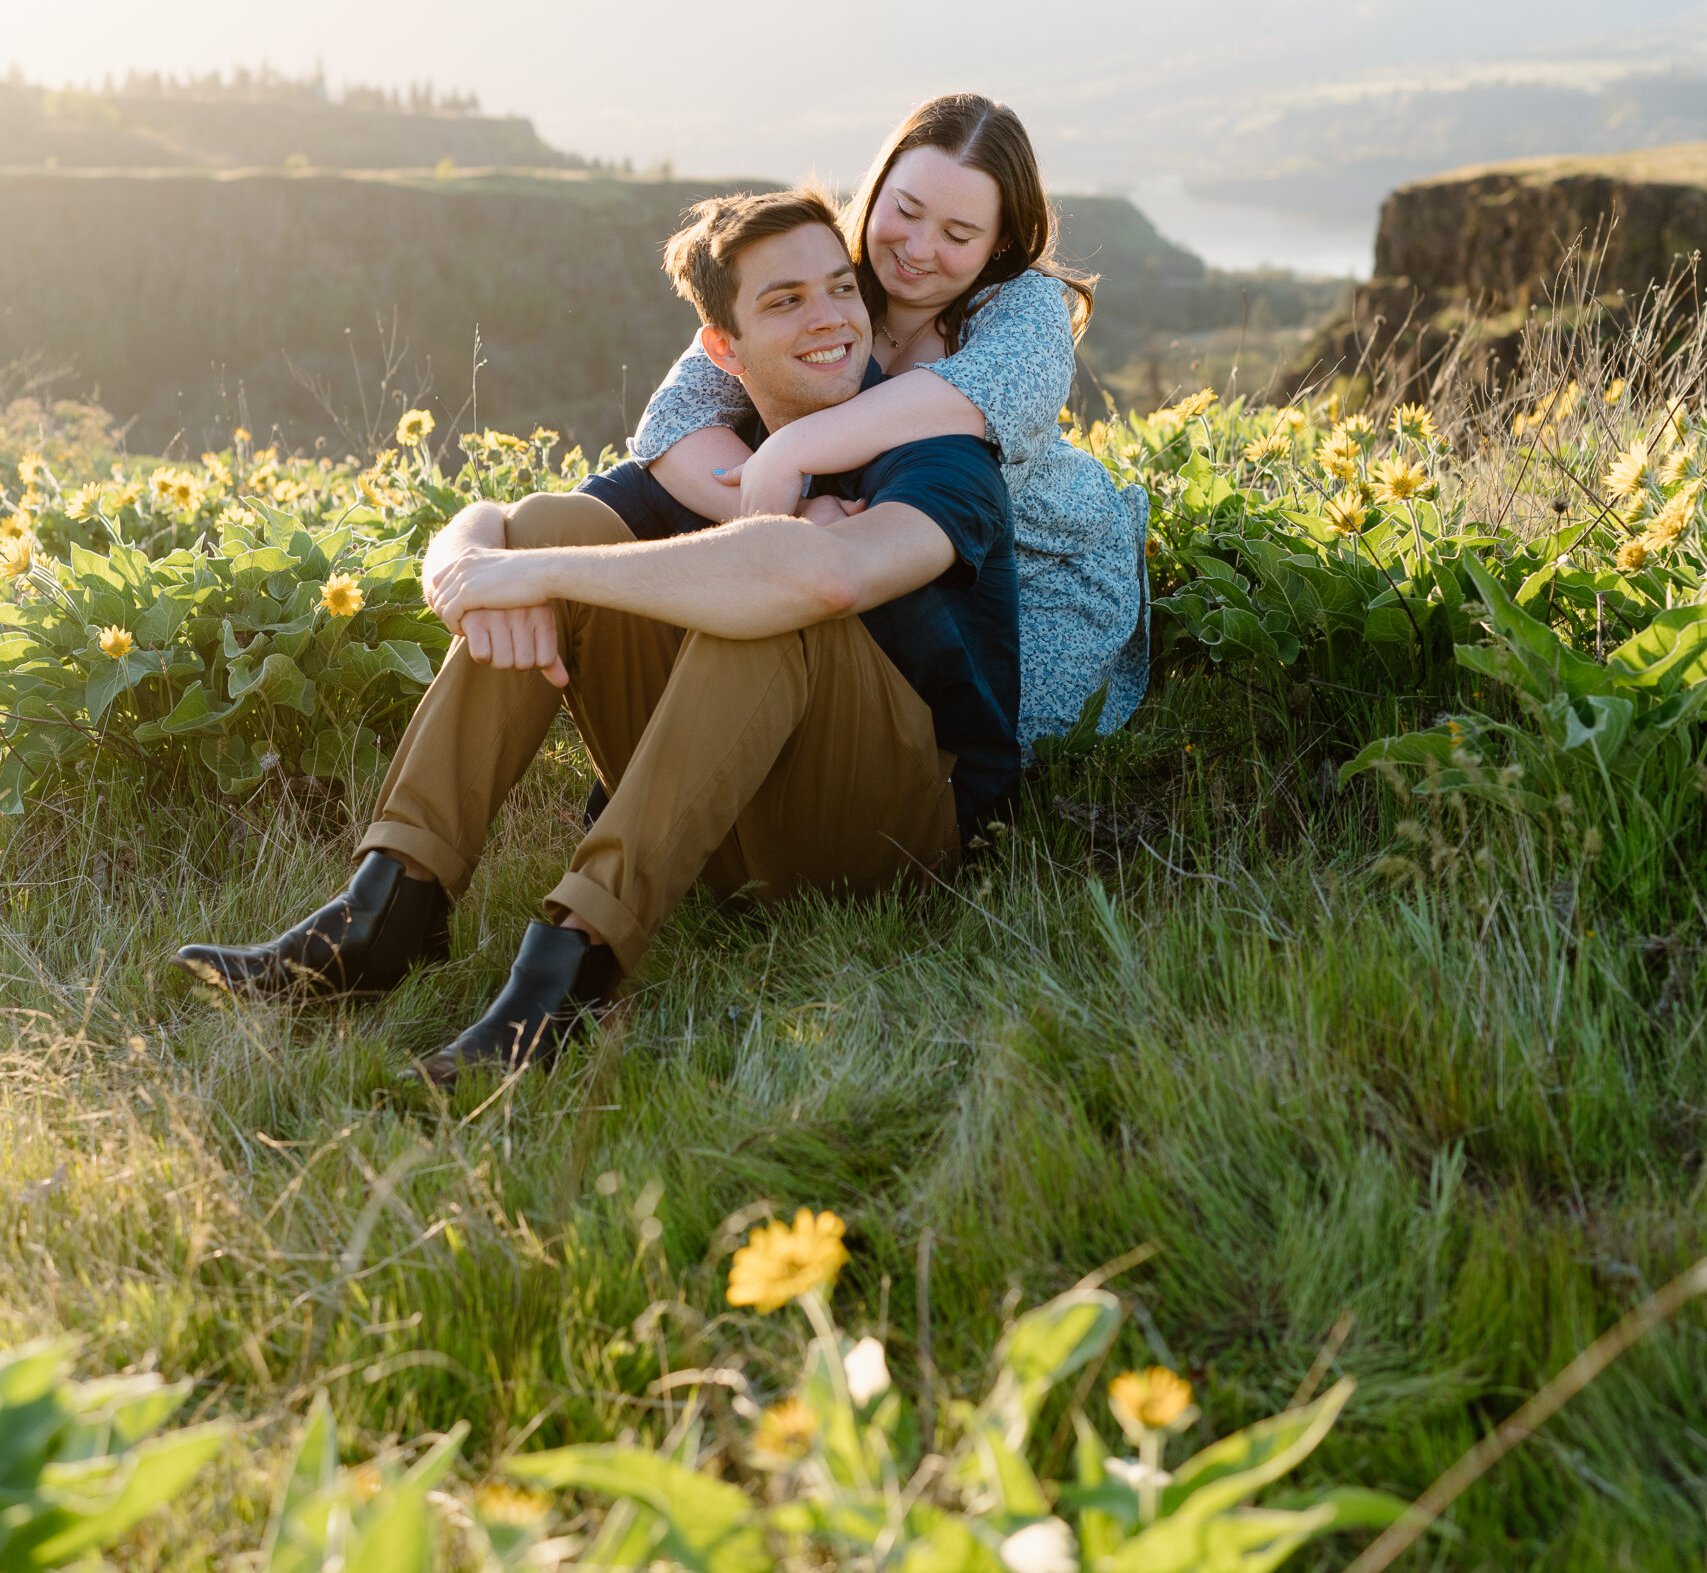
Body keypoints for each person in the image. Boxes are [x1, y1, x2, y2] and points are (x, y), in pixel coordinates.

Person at [173, 186, 1019, 1085]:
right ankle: (387, 910)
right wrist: (478, 570)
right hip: (724, 823)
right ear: (722, 349)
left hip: (892, 836)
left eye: (840, 288)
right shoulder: (718, 446)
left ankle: (570, 971)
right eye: (786, 300)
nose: (832, 319)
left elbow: (825, 576)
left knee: (766, 582)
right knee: (550, 521)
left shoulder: (938, 449)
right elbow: (489, 525)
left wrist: (545, 577)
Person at [631, 92, 1147, 755]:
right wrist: (788, 517)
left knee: (971, 741)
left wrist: (787, 453)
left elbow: (973, 397)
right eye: (903, 212)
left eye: (959, 235)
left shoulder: (1024, 308)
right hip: (863, 545)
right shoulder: (824, 270)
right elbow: (673, 421)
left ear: (1000, 243)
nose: (917, 250)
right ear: (875, 192)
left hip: (1034, 569)